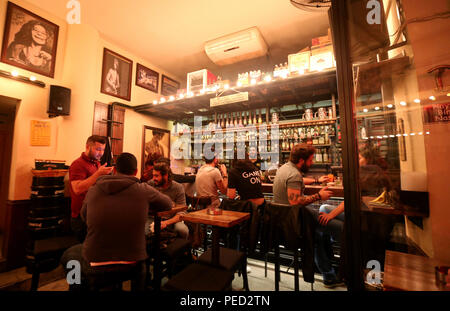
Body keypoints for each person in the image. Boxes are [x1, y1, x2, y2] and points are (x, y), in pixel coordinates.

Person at [61, 152, 173, 291]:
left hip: (96, 261)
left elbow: (84, 217)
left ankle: (78, 287)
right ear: (136, 171)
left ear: (114, 169)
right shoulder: (144, 190)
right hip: (132, 261)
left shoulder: (94, 190)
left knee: (69, 258)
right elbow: (168, 204)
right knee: (141, 264)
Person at [314, 144, 391, 287]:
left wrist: (331, 216)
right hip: (367, 216)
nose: (357, 160)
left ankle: (331, 271)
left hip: (363, 220)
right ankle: (331, 251)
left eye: (360, 157)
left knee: (317, 225)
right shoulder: (374, 171)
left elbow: (351, 199)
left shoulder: (367, 172)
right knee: (323, 208)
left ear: (367, 159)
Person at [69, 135, 113, 242]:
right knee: (84, 252)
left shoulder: (97, 163)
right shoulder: (77, 164)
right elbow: (77, 189)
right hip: (81, 217)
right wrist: (98, 174)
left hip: (94, 214)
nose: (101, 153)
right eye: (98, 149)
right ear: (88, 147)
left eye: (103, 150)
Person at [147, 161, 189, 239]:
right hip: (152, 218)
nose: (154, 179)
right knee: (146, 232)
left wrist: (166, 223)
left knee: (183, 230)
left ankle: (180, 250)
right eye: (153, 176)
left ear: (165, 175)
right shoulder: (150, 184)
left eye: (156, 176)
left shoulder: (178, 187)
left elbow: (181, 212)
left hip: (172, 219)